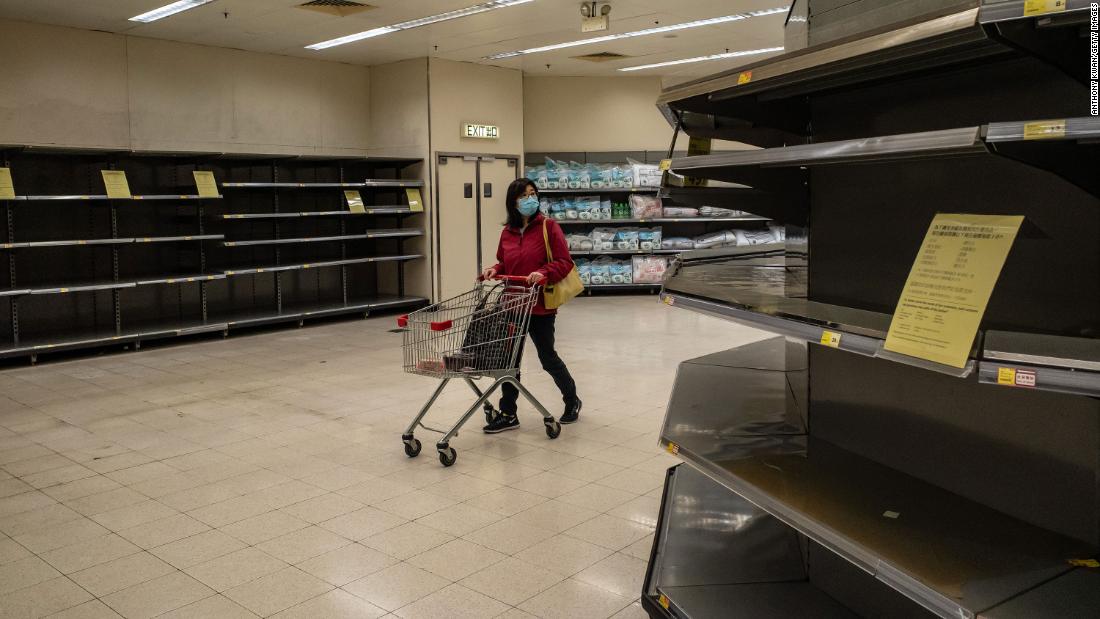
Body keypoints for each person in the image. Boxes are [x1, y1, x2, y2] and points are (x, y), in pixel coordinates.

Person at [480, 178, 582, 433]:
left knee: (547, 357)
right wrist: (494, 269)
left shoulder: (549, 227)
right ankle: (508, 413)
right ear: (513, 202)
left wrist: (544, 272)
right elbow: (504, 263)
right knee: (509, 362)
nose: (530, 199)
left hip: (539, 307)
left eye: (533, 194)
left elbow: (564, 261)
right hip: (513, 304)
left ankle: (572, 401)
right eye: (524, 196)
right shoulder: (507, 232)